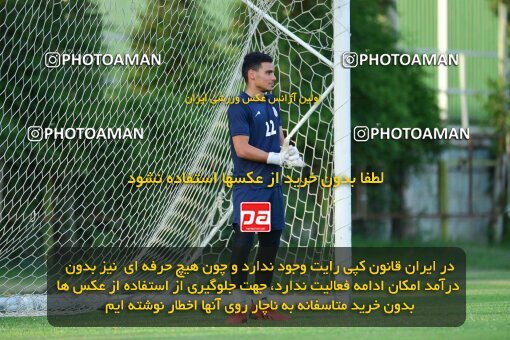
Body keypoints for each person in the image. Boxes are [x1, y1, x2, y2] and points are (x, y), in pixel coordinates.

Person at [225, 52, 304, 324]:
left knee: (270, 245)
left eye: (273, 73)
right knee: (245, 243)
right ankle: (237, 307)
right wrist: (274, 158)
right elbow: (242, 148)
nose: (273, 77)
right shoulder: (240, 107)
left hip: (272, 186)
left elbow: (279, 137)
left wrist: (289, 151)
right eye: (269, 72)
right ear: (252, 74)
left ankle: (262, 305)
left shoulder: (271, 102)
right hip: (252, 187)